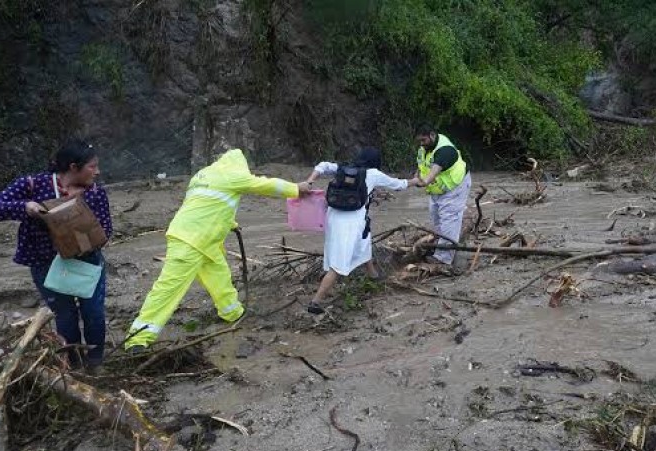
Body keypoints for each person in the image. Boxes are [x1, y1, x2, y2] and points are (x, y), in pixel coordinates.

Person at [125, 149, 311, 351]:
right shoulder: (231, 175)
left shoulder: (203, 175)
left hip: (202, 239)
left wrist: (230, 223)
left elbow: (210, 205)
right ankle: (137, 339)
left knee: (219, 277)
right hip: (191, 241)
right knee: (168, 289)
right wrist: (296, 188)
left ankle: (232, 313)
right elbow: (264, 184)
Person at [0, 139, 111, 372]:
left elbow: (106, 229)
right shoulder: (33, 185)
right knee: (65, 315)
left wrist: (84, 238)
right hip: (46, 262)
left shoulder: (96, 193)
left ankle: (95, 363)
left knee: (93, 312)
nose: (97, 172)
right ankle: (72, 365)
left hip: (86, 262)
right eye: (92, 167)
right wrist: (26, 207)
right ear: (74, 167)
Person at [304, 147, 419, 314]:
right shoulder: (373, 174)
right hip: (351, 222)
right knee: (339, 264)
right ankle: (316, 302)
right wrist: (415, 181)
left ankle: (373, 275)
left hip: (333, 217)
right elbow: (399, 185)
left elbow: (322, 165)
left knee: (364, 242)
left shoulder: (343, 168)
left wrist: (309, 182)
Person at [413, 123, 472, 264]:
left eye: (424, 140)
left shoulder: (445, 150)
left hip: (455, 189)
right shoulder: (424, 148)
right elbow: (422, 166)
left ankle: (443, 259)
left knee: (449, 222)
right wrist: (417, 174)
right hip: (438, 190)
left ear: (432, 135)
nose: (421, 144)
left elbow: (430, 175)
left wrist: (419, 182)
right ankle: (439, 247)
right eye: (419, 141)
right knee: (436, 219)